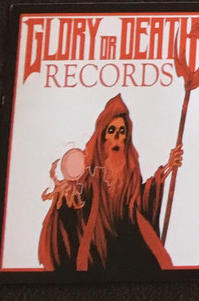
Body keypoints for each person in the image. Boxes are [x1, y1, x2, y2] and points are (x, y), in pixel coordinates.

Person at [38, 94, 182, 277]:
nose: (117, 137)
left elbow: (140, 197)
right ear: (103, 136)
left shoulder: (130, 171)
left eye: (122, 131)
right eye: (112, 130)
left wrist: (169, 167)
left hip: (127, 246)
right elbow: (76, 198)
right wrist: (68, 193)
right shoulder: (89, 170)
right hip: (95, 249)